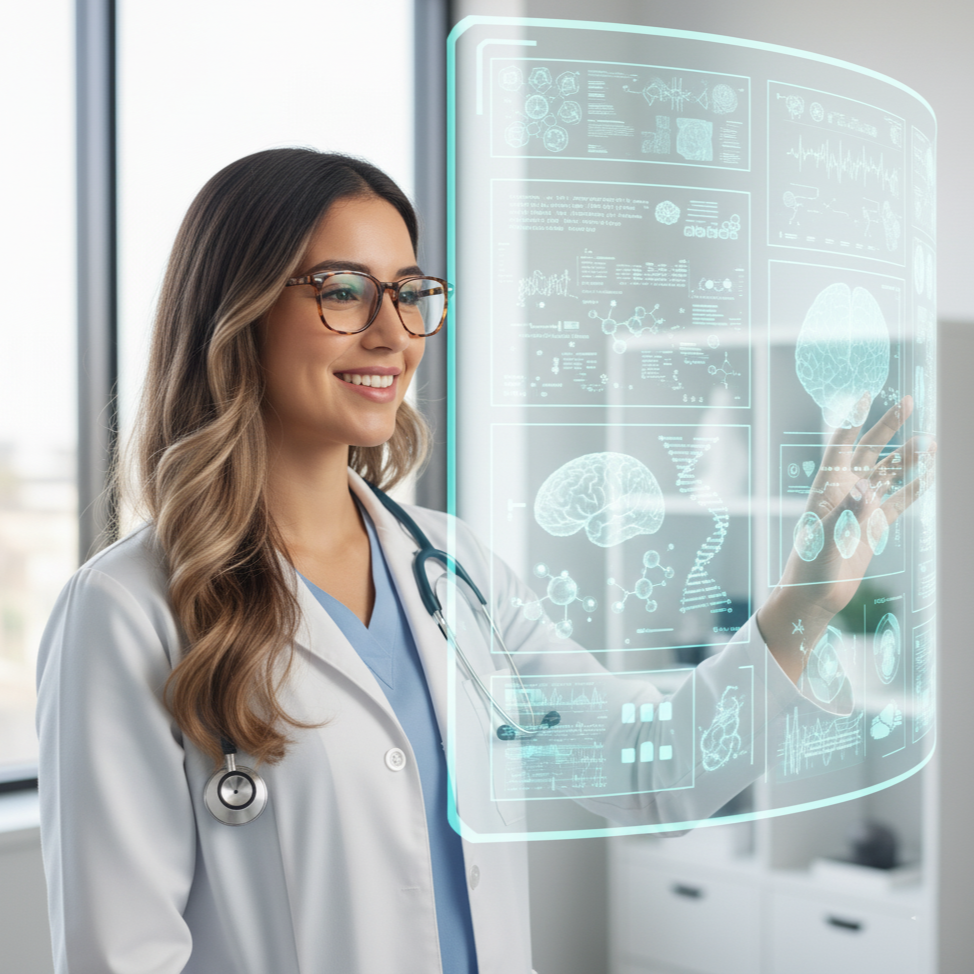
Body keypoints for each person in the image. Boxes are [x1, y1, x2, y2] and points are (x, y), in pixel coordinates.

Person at [35, 147, 932, 974]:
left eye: (411, 291)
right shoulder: (127, 611)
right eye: (344, 290)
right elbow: (121, 959)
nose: (394, 333)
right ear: (236, 311)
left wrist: (810, 595)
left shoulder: (451, 568)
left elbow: (658, 774)